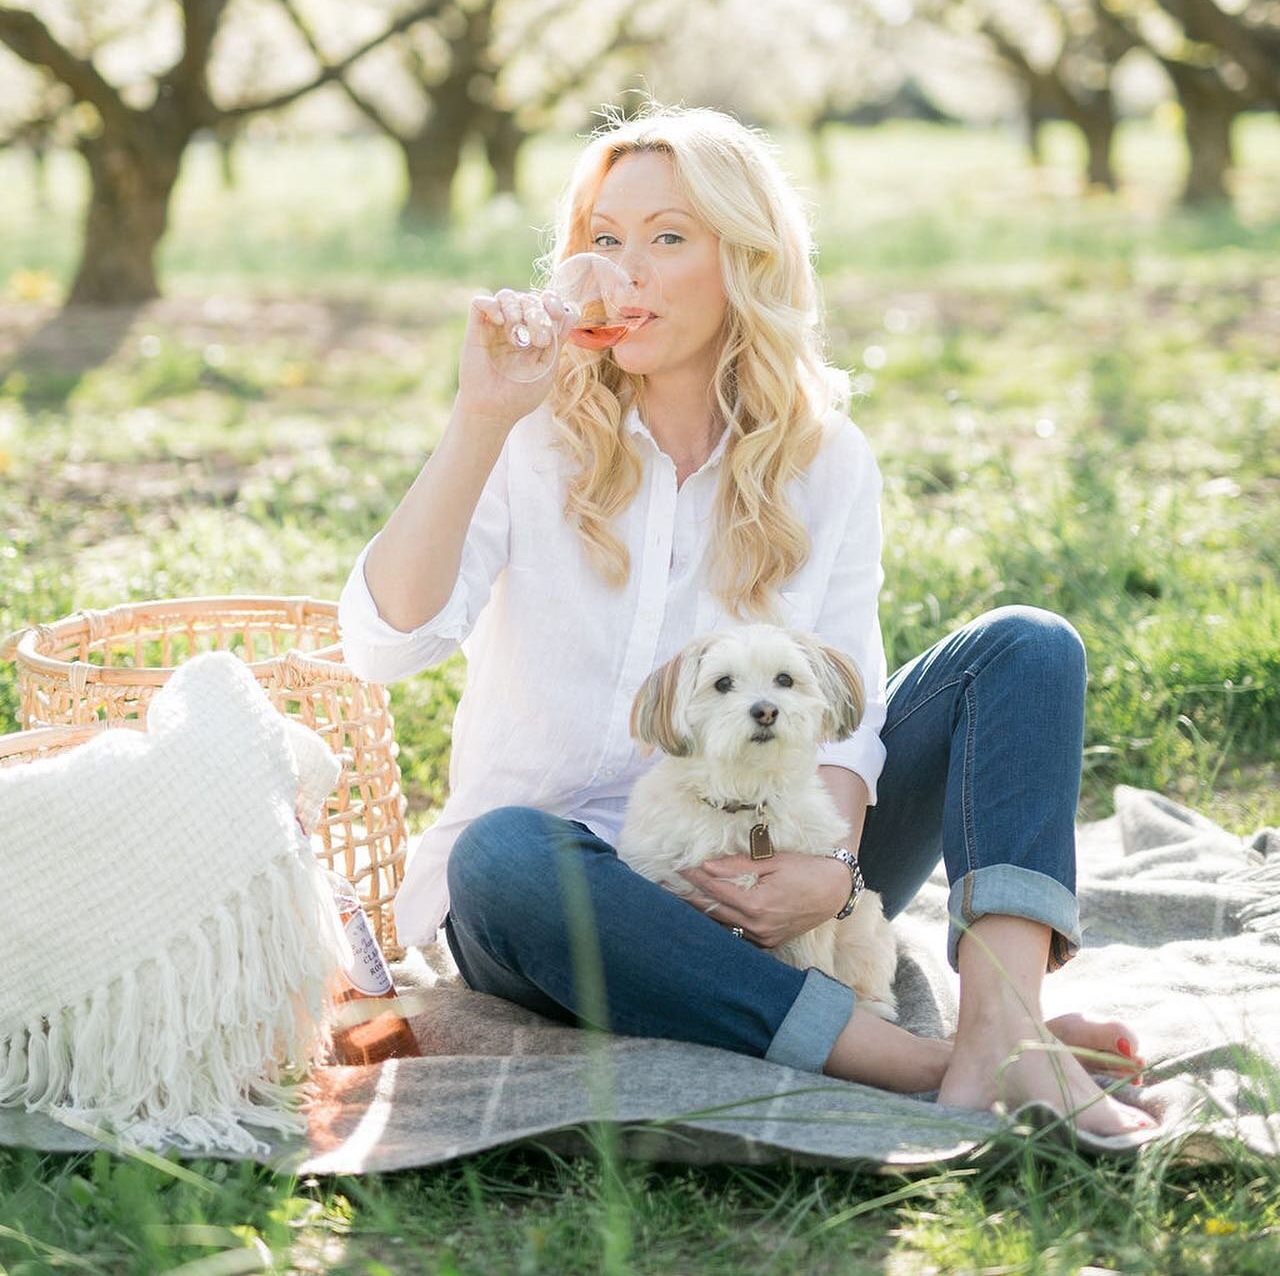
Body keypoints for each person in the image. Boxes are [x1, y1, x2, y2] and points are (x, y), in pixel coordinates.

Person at [338, 102, 1154, 1136]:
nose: (623, 271)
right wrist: (479, 418)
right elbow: (383, 642)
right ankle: (929, 1062)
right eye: (602, 240)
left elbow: (845, 701)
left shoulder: (822, 458)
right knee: (495, 859)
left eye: (666, 238)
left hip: (772, 853)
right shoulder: (531, 434)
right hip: (573, 895)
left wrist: (830, 871)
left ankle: (1005, 1021)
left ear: (745, 263)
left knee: (1025, 647)